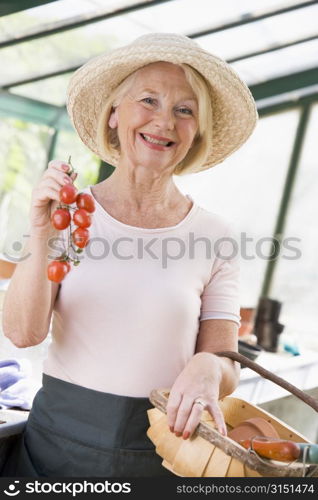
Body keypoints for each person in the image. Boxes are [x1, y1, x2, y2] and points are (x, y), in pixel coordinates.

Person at [1, 33, 258, 477]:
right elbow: (22, 334)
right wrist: (41, 231)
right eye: (149, 101)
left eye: (185, 109)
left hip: (162, 453)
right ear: (115, 113)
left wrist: (209, 367)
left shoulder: (214, 235)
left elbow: (226, 362)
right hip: (54, 449)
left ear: (196, 131)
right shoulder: (70, 214)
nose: (164, 122)